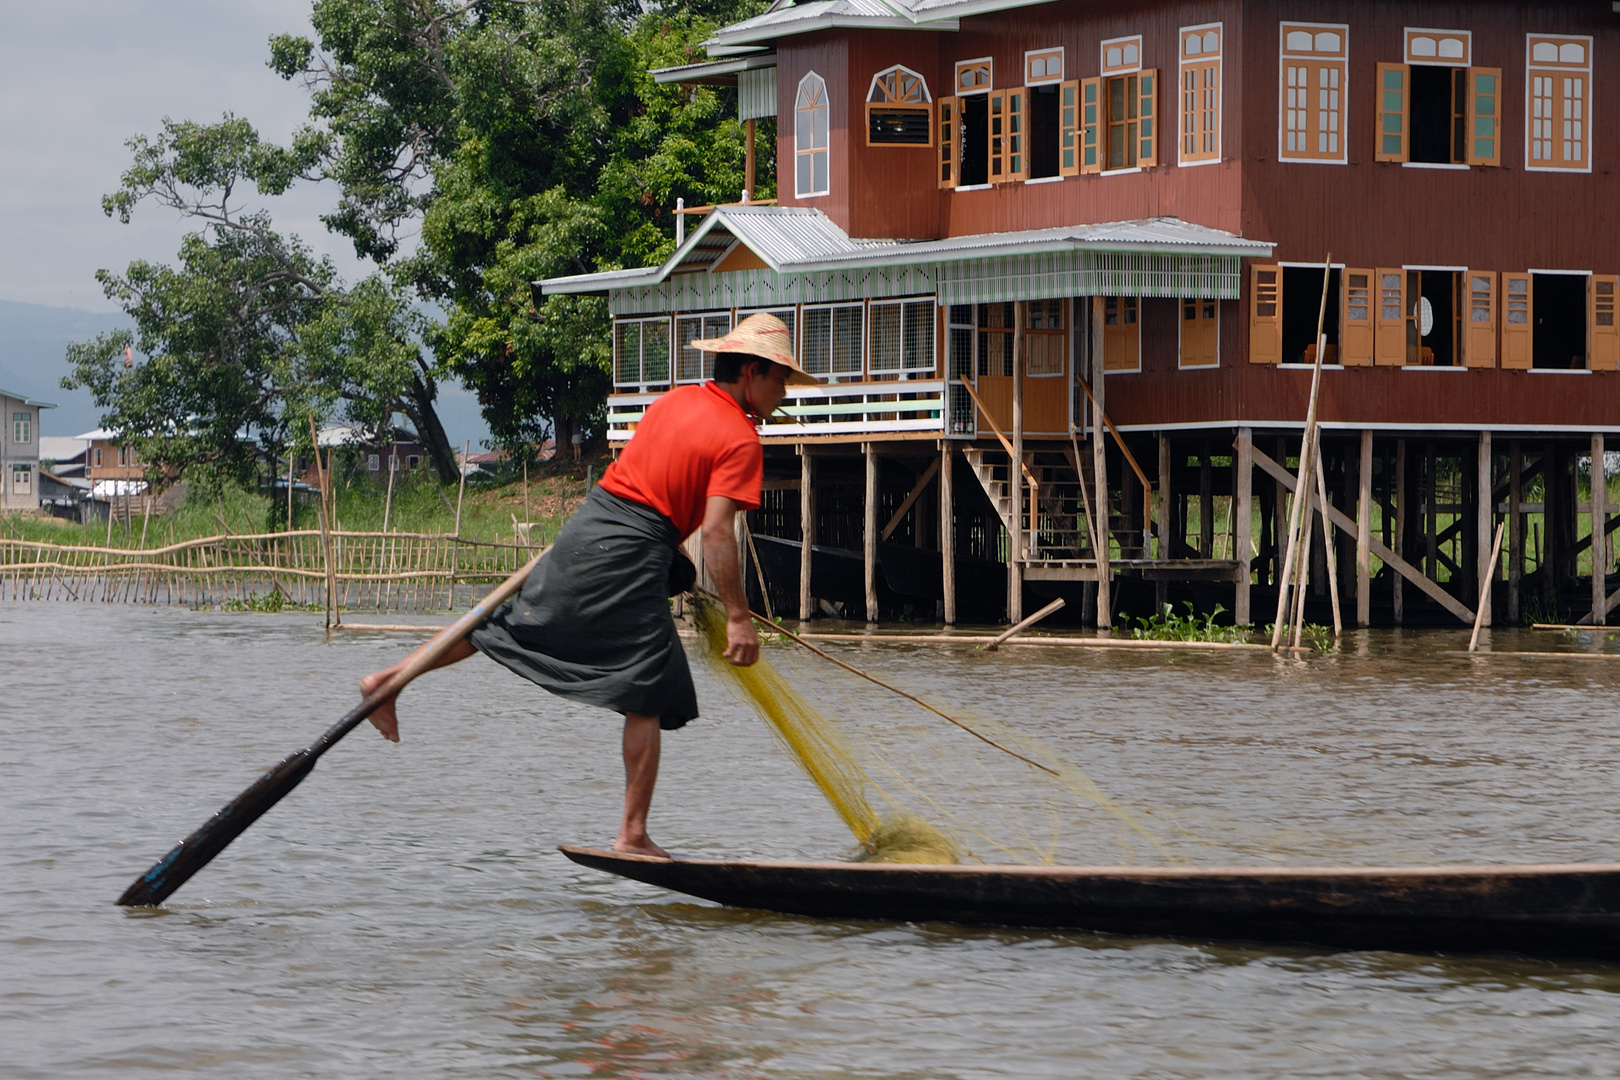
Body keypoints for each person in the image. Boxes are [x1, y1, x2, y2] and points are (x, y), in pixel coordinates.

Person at [358, 313, 818, 857]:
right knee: (648, 684)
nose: (784, 392)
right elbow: (717, 534)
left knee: (513, 625)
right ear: (749, 373)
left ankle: (389, 680)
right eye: (780, 379)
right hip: (630, 544)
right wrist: (739, 617)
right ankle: (632, 834)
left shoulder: (674, 401)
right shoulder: (740, 437)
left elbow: (649, 483)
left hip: (592, 524)